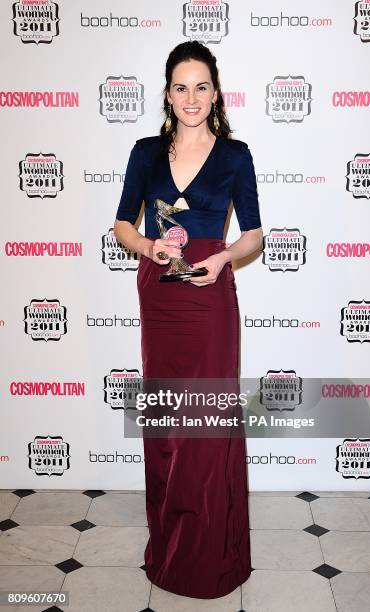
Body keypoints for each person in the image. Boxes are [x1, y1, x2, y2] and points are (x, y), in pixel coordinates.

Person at [114, 41, 263, 600]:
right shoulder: (145, 152)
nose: (191, 97)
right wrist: (149, 245)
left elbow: (252, 233)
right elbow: (121, 225)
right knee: (168, 426)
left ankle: (212, 558)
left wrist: (223, 256)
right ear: (168, 94)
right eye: (181, 87)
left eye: (202, 86)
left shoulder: (235, 155)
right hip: (161, 297)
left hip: (208, 299)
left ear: (216, 93)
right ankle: (170, 547)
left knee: (206, 428)